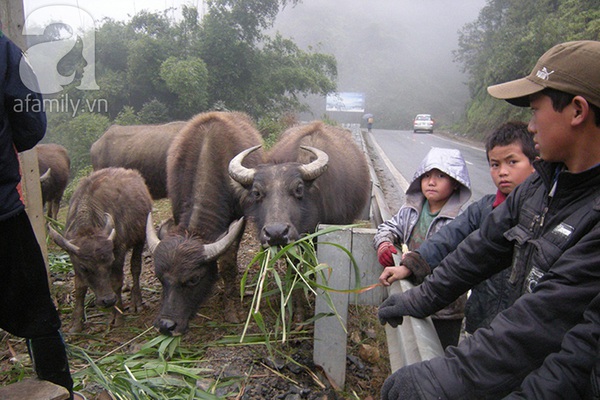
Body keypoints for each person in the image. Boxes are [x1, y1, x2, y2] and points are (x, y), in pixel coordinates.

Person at [378, 40, 600, 399]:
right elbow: (480, 248)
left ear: (577, 111)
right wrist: (421, 298)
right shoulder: (540, 187)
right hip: (518, 365)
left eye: (536, 110)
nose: (530, 126)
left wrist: (444, 377)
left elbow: (544, 319)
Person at [379, 121, 537, 334]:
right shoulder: (483, 210)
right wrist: (409, 266)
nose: (503, 172)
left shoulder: (546, 215)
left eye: (512, 162)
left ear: (536, 163)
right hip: (481, 323)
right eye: (495, 164)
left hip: (525, 333)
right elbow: (447, 241)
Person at [0, 30, 78, 399]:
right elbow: (30, 127)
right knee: (37, 312)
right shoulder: (4, 51)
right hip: (2, 216)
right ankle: (57, 388)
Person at [373, 147, 471, 349]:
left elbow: (459, 263)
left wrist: (412, 262)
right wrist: (384, 243)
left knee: (440, 356)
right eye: (426, 176)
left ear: (455, 183)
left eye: (441, 176)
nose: (431, 182)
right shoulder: (411, 210)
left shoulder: (461, 221)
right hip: (414, 297)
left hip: (445, 309)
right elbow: (389, 227)